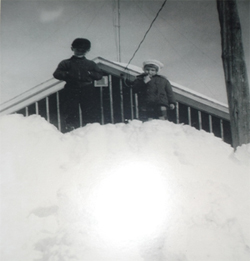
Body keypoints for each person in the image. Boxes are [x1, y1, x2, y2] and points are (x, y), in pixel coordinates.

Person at [53, 38, 103, 132]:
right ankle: (71, 129)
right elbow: (56, 74)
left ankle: (90, 130)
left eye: (83, 50)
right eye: (77, 49)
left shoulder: (90, 64)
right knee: (71, 111)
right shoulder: (66, 63)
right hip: (71, 89)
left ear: (87, 51)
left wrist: (89, 73)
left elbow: (99, 75)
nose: (80, 51)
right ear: (72, 49)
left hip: (87, 89)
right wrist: (68, 74)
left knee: (89, 111)